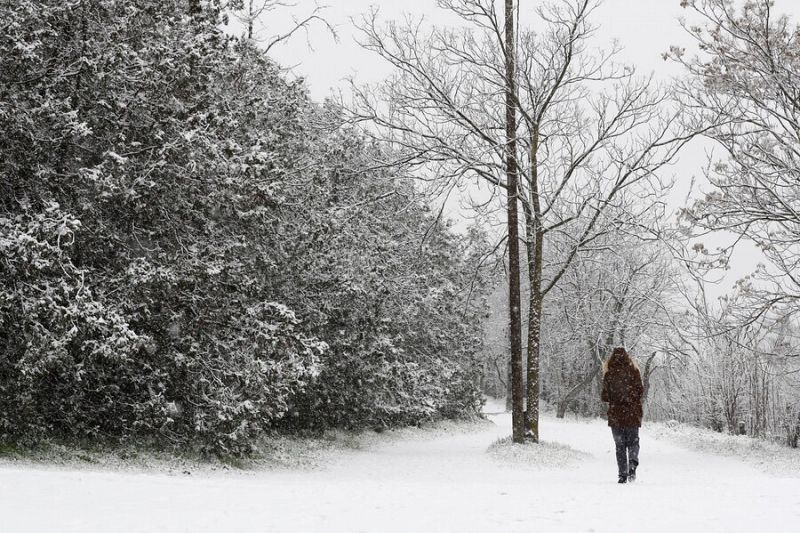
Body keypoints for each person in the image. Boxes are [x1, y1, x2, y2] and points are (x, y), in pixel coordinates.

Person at [601, 347, 644, 484]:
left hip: (616, 415)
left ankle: (622, 475)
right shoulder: (634, 371)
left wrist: (615, 397)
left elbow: (605, 396)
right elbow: (640, 391)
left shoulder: (609, 374)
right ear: (627, 357)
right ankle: (632, 460)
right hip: (632, 414)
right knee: (633, 442)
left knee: (620, 445)